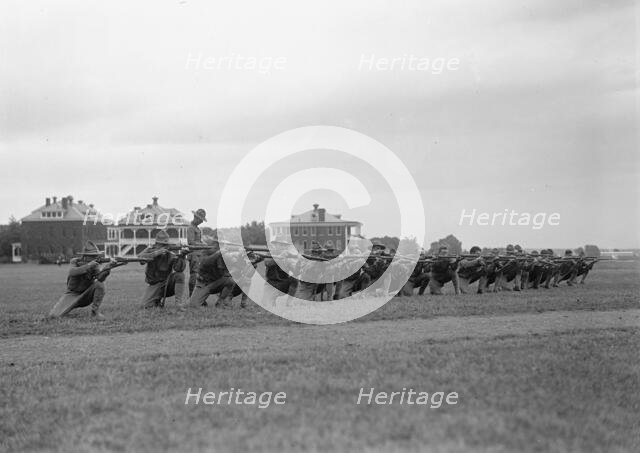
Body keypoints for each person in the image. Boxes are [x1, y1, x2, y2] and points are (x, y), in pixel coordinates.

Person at [49, 241, 111, 320]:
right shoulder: (75, 261)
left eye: (95, 255)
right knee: (54, 316)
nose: (95, 257)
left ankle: (95, 313)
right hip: (72, 294)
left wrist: (107, 270)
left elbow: (100, 279)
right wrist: (88, 265)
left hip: (86, 295)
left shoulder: (95, 265)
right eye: (92, 256)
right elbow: (72, 272)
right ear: (84, 256)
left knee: (100, 285)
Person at [138, 231, 187, 309]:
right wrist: (157, 253)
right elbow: (140, 259)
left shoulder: (170, 253)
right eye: (162, 244)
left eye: (166, 244)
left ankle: (178, 304)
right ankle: (156, 300)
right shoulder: (151, 249)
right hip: (155, 284)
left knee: (179, 275)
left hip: (167, 283)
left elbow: (179, 269)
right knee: (144, 306)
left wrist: (182, 256)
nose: (165, 246)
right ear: (156, 244)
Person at [184, 241, 237, 309]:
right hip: (204, 284)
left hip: (216, 283)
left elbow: (232, 267)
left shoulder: (224, 255)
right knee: (193, 305)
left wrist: (239, 256)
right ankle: (200, 300)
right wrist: (218, 253)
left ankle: (220, 303)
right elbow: (205, 262)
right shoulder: (206, 253)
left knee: (230, 281)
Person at [186, 208, 207, 298]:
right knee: (194, 275)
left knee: (200, 275)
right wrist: (202, 245)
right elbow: (191, 242)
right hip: (194, 254)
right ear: (195, 217)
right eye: (200, 220)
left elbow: (198, 241)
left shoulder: (197, 228)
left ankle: (197, 296)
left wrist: (204, 244)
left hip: (199, 254)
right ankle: (191, 295)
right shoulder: (191, 228)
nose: (201, 222)